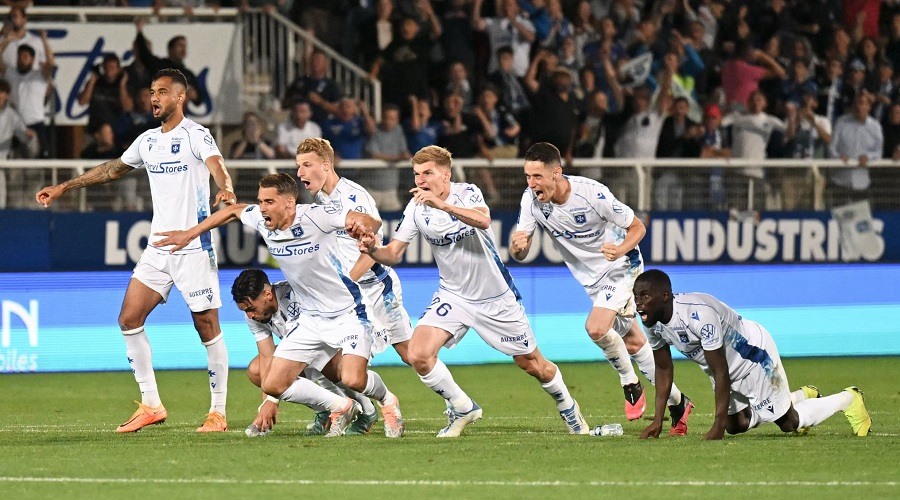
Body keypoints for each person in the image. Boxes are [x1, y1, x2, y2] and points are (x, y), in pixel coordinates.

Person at [35, 69, 236, 433]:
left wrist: (227, 190)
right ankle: (152, 405)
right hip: (158, 247)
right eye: (151, 92)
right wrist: (65, 186)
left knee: (206, 326)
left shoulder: (196, 135)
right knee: (129, 319)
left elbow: (217, 166)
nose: (154, 98)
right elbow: (112, 169)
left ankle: (217, 412)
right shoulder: (147, 141)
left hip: (192, 245)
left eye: (161, 92)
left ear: (180, 98)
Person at [349, 145, 589, 437]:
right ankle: (462, 407)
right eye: (416, 174)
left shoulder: (467, 193)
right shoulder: (415, 208)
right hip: (453, 295)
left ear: (446, 175)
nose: (421, 180)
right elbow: (394, 254)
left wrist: (443, 205)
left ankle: (567, 405)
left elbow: (483, 220)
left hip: (495, 298)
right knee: (418, 354)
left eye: (428, 173)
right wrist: (373, 249)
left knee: (532, 364)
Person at [153, 173, 406, 438]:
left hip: (348, 312)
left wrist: (363, 228)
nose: (262, 208)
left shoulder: (316, 217)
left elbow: (368, 220)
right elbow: (234, 212)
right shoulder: (263, 223)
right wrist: (190, 234)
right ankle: (340, 407)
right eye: (261, 201)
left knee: (353, 378)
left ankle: (388, 401)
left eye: (269, 202)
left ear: (289, 203)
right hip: (310, 319)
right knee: (272, 383)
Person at [510, 142, 693, 433]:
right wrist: (518, 247)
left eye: (537, 177)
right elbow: (521, 248)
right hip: (592, 280)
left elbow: (638, 227)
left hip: (621, 267)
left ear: (556, 173)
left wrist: (620, 250)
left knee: (596, 328)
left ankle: (629, 382)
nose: (531, 184)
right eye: (527, 177)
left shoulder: (592, 194)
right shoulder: (531, 201)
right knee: (633, 343)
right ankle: (679, 402)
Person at [634, 269, 872, 440]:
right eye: (636, 296)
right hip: (724, 367)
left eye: (644, 296)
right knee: (736, 426)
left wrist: (716, 426)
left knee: (789, 423)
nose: (638, 303)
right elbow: (664, 369)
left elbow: (721, 370)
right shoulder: (652, 322)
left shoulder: (698, 315)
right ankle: (798, 396)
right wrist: (658, 421)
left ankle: (847, 399)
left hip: (754, 358)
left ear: (665, 296)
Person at [296, 136, 414, 369]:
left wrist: (345, 282)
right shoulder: (319, 200)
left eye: (306, 165)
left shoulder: (353, 197)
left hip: (378, 290)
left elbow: (372, 248)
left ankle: (459, 402)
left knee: (413, 356)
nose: (300, 173)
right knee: (342, 364)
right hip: (353, 295)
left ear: (326, 165)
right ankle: (369, 404)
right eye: (298, 166)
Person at [231, 269, 387, 437]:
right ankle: (326, 413)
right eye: (245, 311)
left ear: (267, 294)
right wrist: (267, 404)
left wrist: (273, 399)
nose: (250, 315)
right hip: (309, 349)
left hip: (341, 336)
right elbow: (267, 357)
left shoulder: (295, 297)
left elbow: (302, 350)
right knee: (257, 371)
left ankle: (367, 411)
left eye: (251, 309)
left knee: (324, 364)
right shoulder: (254, 317)